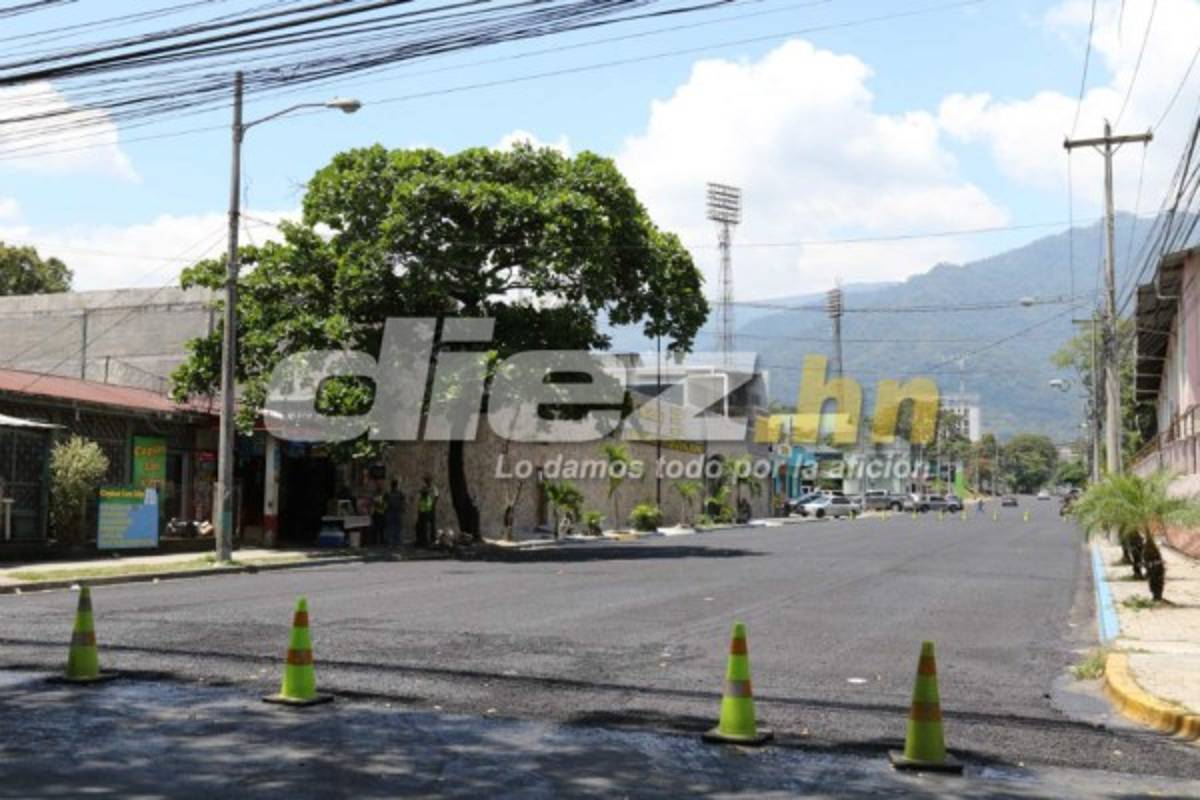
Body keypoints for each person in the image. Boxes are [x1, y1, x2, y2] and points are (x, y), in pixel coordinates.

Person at [416, 475, 438, 548]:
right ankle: (423, 540)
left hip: (430, 508)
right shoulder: (424, 488)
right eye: (426, 480)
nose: (427, 481)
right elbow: (421, 497)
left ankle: (432, 539)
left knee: (431, 525)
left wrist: (433, 505)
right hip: (424, 509)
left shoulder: (433, 488)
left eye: (427, 480)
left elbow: (436, 497)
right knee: (422, 526)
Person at [385, 480, 406, 548]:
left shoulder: (388, 493)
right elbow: (403, 502)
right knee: (397, 528)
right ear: (396, 485)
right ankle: (397, 543)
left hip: (391, 512)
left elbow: (385, 503)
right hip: (397, 512)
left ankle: (391, 543)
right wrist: (403, 509)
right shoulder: (399, 493)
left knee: (391, 528)